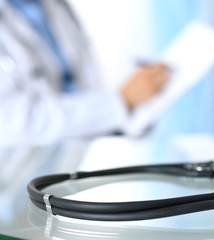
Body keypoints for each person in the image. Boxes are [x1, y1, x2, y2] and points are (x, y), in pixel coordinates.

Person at [0, 0, 170, 146]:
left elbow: (82, 82)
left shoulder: (54, 5)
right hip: (24, 168)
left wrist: (133, 102)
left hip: (80, 155)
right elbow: (16, 122)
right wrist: (120, 102)